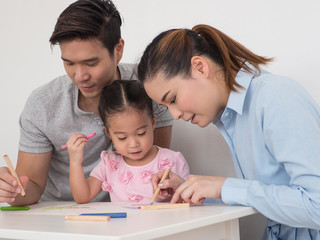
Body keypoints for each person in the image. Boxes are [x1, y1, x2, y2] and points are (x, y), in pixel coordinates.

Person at [137, 24, 320, 239]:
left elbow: (316, 205)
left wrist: (224, 186)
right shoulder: (230, 118)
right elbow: (269, 193)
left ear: (199, 67)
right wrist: (198, 191)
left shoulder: (275, 98)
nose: (175, 115)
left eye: (173, 99)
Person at [0, 0, 173, 206]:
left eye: (91, 63)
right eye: (69, 63)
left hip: (131, 212)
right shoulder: (43, 104)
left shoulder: (151, 86)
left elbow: (154, 164)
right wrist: (11, 188)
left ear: (118, 50)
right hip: (59, 214)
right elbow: (31, 188)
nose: (80, 76)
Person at [67, 80, 189, 204]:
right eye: (122, 138)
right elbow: (82, 197)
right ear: (109, 133)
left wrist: (179, 190)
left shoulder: (173, 160)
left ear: (153, 123)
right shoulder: (109, 163)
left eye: (141, 133)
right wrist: (75, 162)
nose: (133, 144)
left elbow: (189, 202)